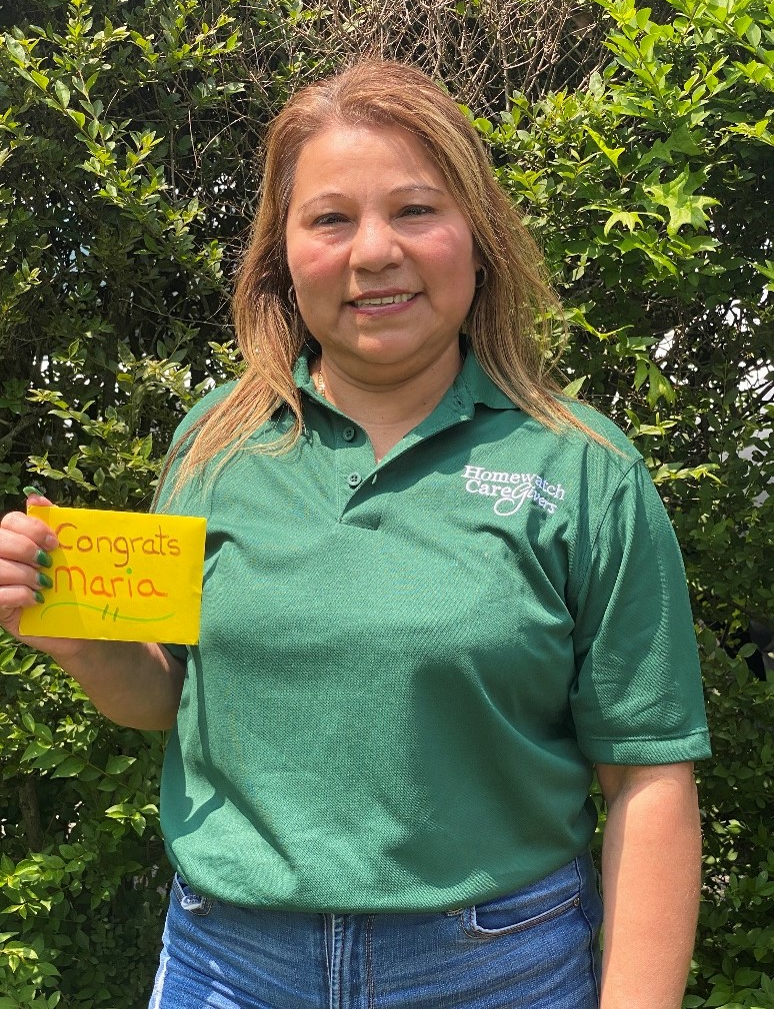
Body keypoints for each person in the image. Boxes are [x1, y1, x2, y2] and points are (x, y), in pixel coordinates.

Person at [0, 60, 711, 1009]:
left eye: (415, 210)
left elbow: (650, 780)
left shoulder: (583, 469)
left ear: (478, 237)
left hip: (499, 968)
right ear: (282, 255)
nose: (374, 252)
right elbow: (169, 698)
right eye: (330, 219)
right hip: (229, 966)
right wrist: (85, 643)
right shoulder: (214, 443)